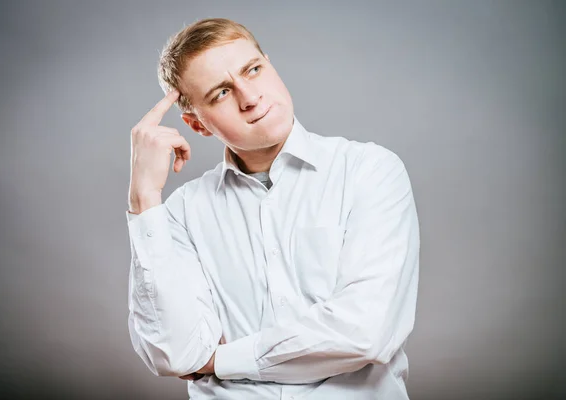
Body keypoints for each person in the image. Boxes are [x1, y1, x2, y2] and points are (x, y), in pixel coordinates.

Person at [126, 17, 420, 399]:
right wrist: (144, 199)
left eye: (254, 70)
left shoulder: (370, 171)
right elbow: (174, 353)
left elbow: (366, 333)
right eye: (221, 93)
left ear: (270, 64)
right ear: (196, 125)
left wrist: (220, 360)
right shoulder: (181, 213)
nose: (250, 98)